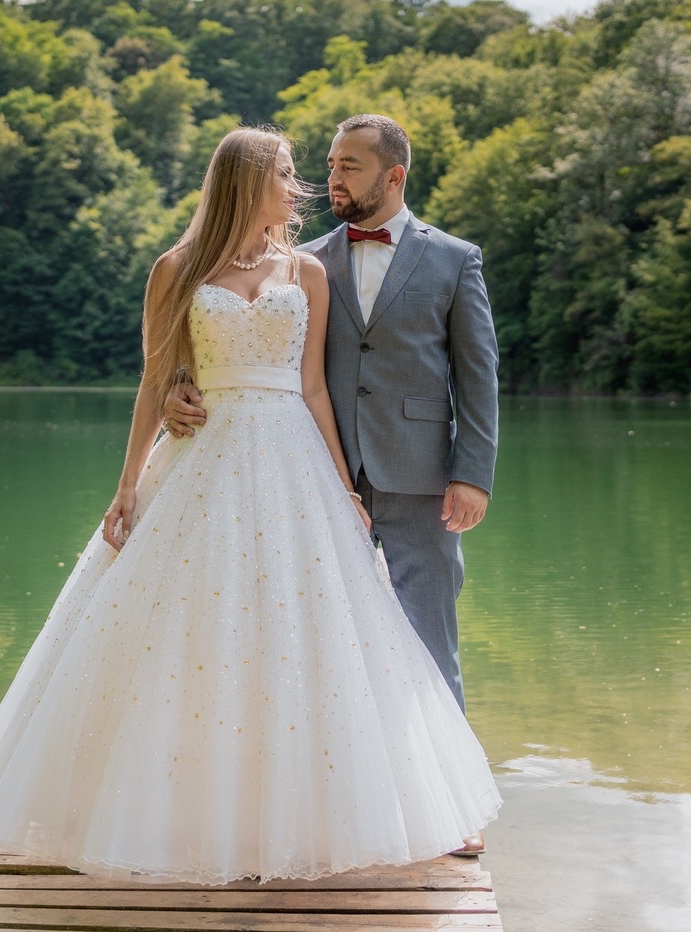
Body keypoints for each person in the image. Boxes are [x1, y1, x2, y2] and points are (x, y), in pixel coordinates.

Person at [0, 126, 499, 884]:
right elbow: (157, 378)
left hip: (313, 465)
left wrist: (347, 487)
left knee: (333, 638)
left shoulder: (317, 270)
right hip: (204, 460)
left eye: (325, 170)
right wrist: (128, 483)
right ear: (246, 181)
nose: (302, 185)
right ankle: (171, 810)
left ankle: (379, 809)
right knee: (191, 633)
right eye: (288, 173)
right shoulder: (178, 269)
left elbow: (315, 387)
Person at [165, 116, 498, 853]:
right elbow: (226, 353)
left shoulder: (453, 259)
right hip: (310, 478)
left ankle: (451, 807)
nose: (330, 181)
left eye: (348, 167)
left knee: (425, 639)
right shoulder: (297, 260)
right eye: (327, 165)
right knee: (307, 644)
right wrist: (173, 394)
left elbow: (478, 375)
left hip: (419, 480)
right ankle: (317, 800)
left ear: (394, 177)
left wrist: (472, 472)